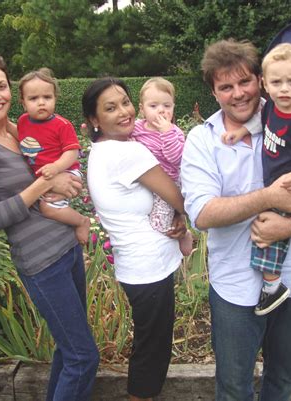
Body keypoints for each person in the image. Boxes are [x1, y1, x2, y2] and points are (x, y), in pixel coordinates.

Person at [181, 38, 291, 401]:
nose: (238, 93)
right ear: (213, 91)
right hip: (236, 287)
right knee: (234, 387)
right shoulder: (202, 140)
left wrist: (289, 225)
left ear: (260, 79)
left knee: (283, 380)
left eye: (245, 82)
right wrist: (270, 197)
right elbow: (203, 213)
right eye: (226, 87)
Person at [0, 54, 99, 401]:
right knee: (84, 357)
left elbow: (59, 157)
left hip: (66, 249)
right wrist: (44, 185)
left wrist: (65, 181)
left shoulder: (18, 130)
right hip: (41, 263)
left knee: (68, 352)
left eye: (1, 86)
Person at [84, 77, 187, 401]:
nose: (124, 112)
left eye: (126, 103)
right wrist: (184, 213)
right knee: (152, 351)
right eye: (111, 108)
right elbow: (179, 197)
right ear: (94, 121)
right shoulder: (127, 153)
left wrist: (178, 219)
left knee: (149, 344)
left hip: (138, 265)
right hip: (148, 267)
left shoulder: (101, 150)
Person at [220, 43, 291, 316]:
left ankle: (272, 286)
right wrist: (243, 132)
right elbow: (263, 124)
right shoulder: (271, 107)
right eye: (277, 82)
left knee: (267, 230)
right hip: (280, 186)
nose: (284, 88)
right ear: (265, 85)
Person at [17, 68, 90, 244]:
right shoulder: (23, 121)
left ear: (55, 98)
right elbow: (18, 134)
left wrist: (56, 167)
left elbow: (72, 153)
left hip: (66, 171)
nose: (41, 103)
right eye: (33, 98)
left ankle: (82, 221)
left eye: (47, 97)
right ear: (23, 102)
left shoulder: (61, 125)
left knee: (47, 208)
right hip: (47, 176)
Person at [132, 77, 193, 256]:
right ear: (142, 110)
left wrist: (166, 134)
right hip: (147, 181)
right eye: (153, 106)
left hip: (169, 182)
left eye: (167, 106)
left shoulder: (175, 132)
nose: (161, 110)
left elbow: (176, 159)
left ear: (173, 108)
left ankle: (184, 236)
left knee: (160, 222)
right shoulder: (136, 128)